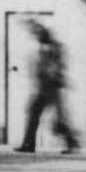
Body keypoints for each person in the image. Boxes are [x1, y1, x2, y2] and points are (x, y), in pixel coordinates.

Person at [14, 21, 78, 154]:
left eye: (37, 34)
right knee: (34, 113)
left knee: (56, 118)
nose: (36, 37)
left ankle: (70, 142)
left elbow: (55, 67)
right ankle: (29, 144)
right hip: (41, 86)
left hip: (50, 87)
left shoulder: (53, 48)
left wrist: (52, 76)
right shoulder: (43, 47)